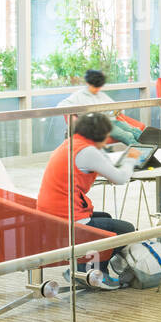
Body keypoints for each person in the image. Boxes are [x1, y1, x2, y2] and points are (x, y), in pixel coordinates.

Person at [35, 112, 139, 290]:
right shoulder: (87, 151)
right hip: (67, 218)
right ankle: (92, 274)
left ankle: (88, 269)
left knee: (105, 217)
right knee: (127, 230)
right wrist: (133, 158)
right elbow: (121, 178)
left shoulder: (70, 143)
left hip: (51, 214)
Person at [59, 69, 142, 145]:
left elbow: (115, 107)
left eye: (98, 87)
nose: (97, 89)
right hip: (99, 125)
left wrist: (116, 111)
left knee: (134, 130)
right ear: (88, 83)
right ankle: (142, 154)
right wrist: (77, 117)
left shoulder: (101, 95)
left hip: (110, 120)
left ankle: (151, 147)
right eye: (94, 87)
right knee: (126, 136)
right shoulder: (78, 96)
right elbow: (61, 105)